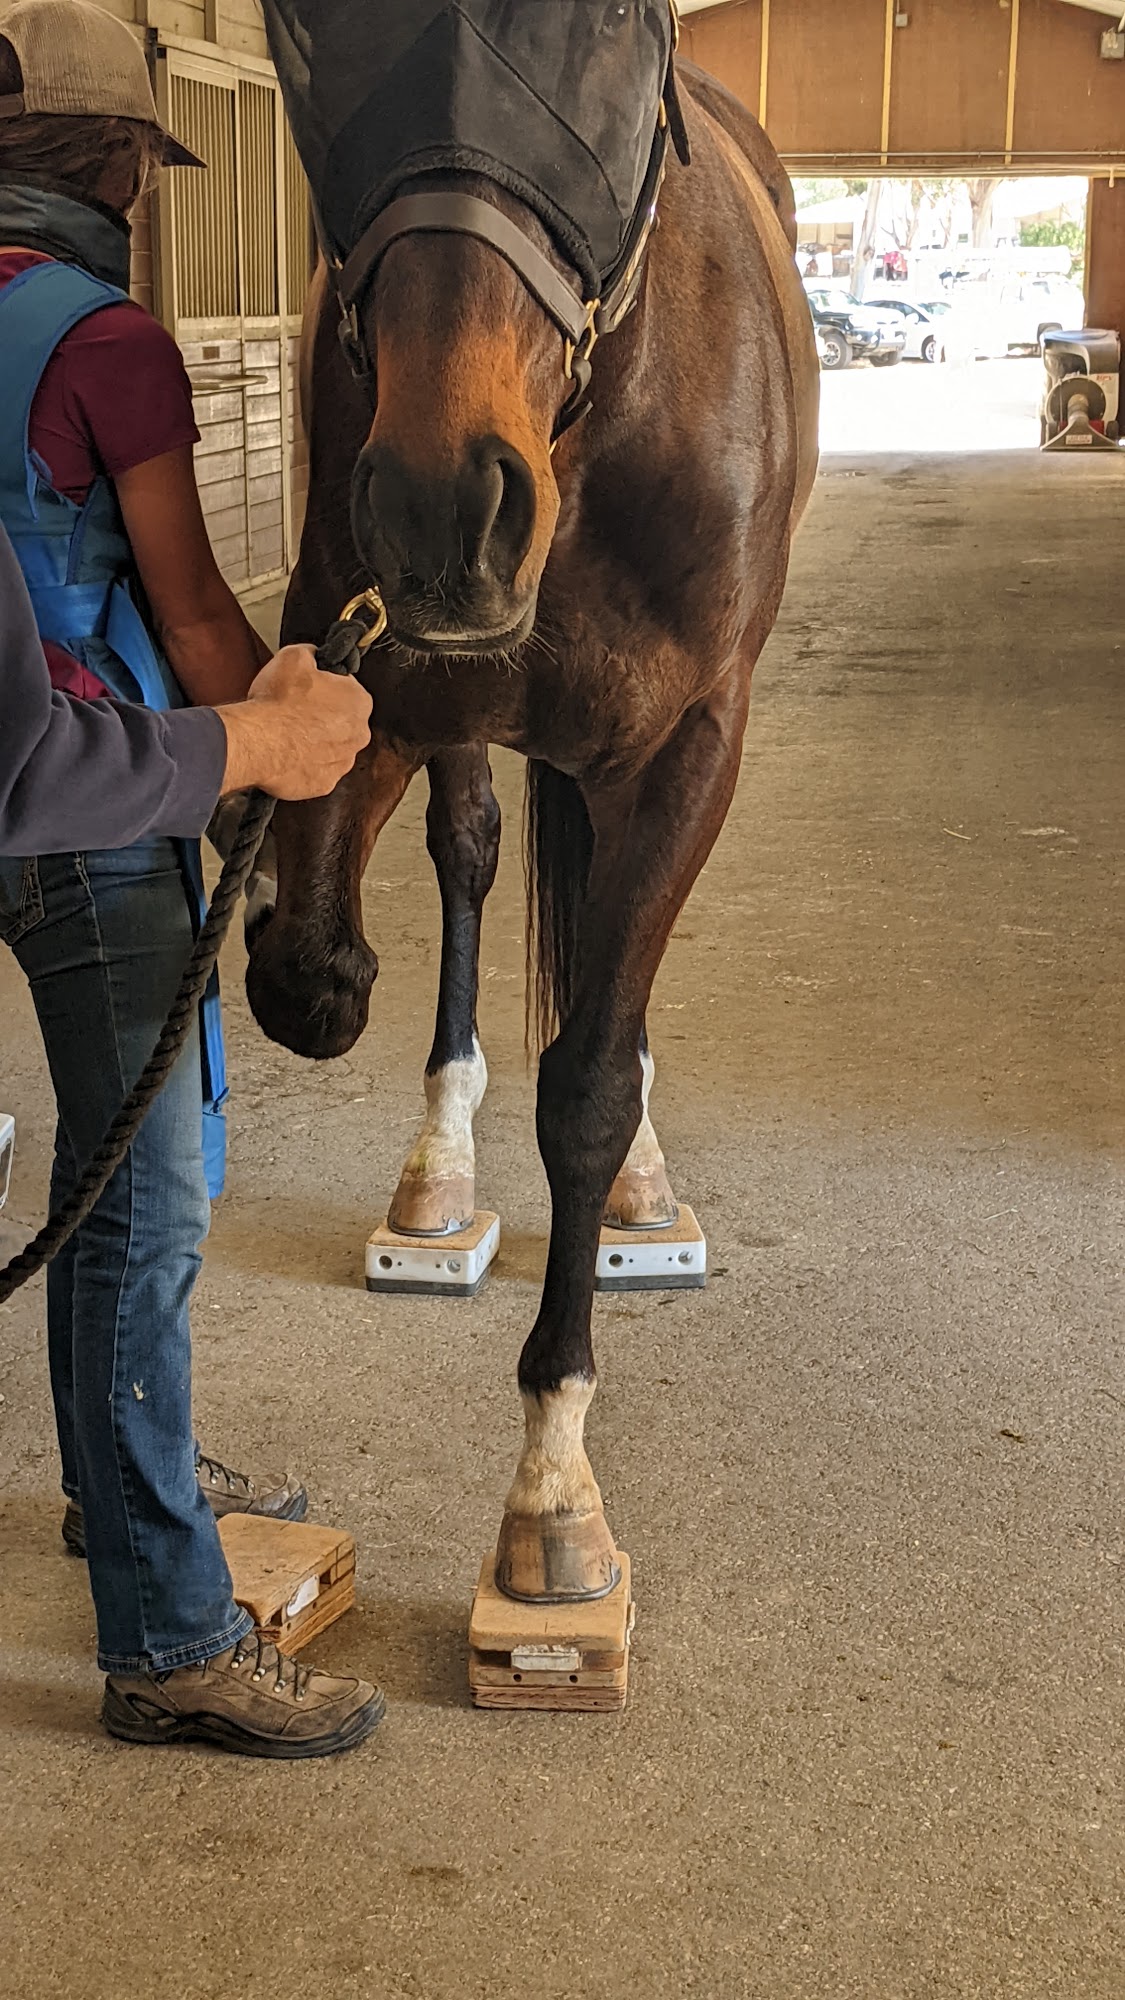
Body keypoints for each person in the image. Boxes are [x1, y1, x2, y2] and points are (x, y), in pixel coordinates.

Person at [0, 0, 383, 1757]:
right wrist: (278, 744)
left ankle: (113, 1467)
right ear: (100, 168)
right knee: (135, 1198)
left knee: (92, 1186)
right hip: (85, 806)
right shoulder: (106, 340)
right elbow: (194, 613)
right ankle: (165, 1627)